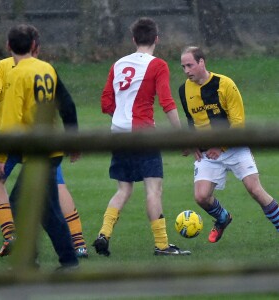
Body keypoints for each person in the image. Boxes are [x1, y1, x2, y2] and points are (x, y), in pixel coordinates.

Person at [0, 27, 88, 258]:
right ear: (35, 45)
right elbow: (67, 105)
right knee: (57, 190)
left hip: (15, 140)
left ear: (8, 46)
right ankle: (78, 244)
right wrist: (72, 138)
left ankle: (11, 236)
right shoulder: (47, 68)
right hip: (45, 142)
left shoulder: (5, 68)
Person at [92, 17, 191, 256]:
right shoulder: (158, 65)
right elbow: (167, 102)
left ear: (134, 39)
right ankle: (162, 245)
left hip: (118, 133)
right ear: (156, 39)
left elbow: (106, 102)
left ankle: (103, 234)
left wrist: (121, 119)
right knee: (153, 190)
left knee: (123, 190)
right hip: (144, 133)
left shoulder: (118, 64)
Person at [178, 46, 279, 243]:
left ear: (201, 62)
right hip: (208, 152)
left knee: (255, 190)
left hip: (235, 147)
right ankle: (223, 218)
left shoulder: (225, 84)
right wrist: (193, 143)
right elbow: (192, 121)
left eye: (190, 65)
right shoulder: (184, 90)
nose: (186, 71)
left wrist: (221, 146)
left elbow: (238, 122)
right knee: (201, 197)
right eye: (183, 67)